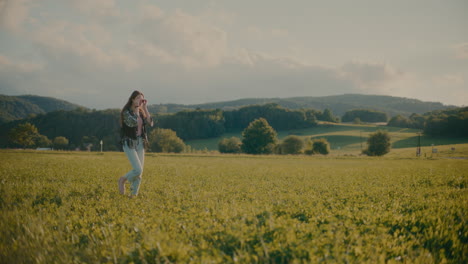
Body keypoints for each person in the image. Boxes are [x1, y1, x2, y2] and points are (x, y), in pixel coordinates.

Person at [118, 90, 154, 197]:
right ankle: (122, 180)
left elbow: (151, 123)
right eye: (138, 98)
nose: (140, 100)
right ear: (132, 99)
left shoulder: (142, 112)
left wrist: (145, 108)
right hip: (129, 143)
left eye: (141, 99)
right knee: (138, 169)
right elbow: (132, 122)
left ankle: (133, 195)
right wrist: (138, 110)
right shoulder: (126, 113)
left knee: (139, 173)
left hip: (140, 143)